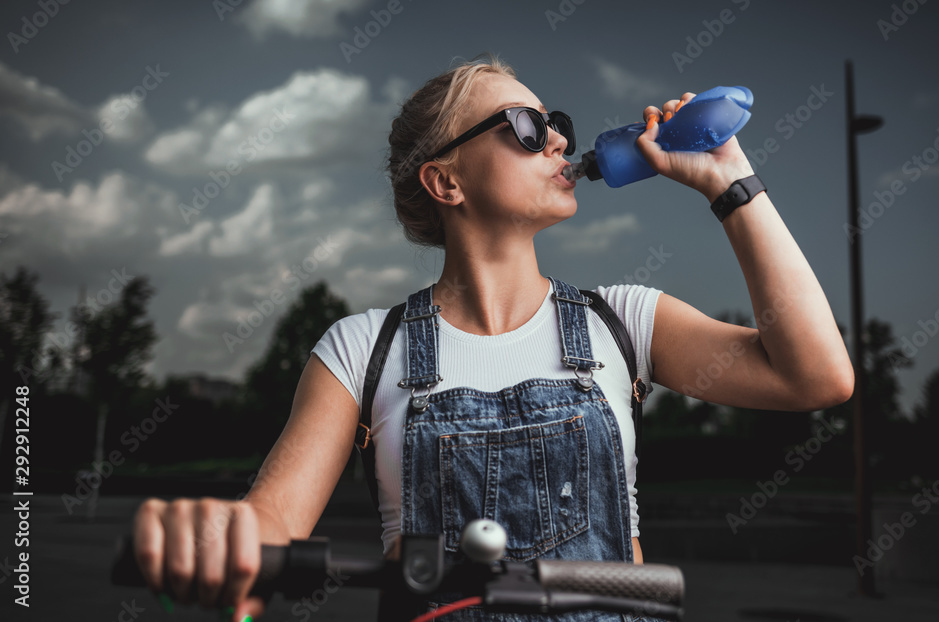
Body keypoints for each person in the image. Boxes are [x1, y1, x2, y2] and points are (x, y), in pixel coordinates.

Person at [130, 55, 854, 622]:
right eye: (527, 127)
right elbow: (271, 525)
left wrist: (729, 181)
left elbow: (815, 377)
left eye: (555, 121)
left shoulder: (623, 322)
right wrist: (215, 535)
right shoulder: (361, 350)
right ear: (446, 182)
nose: (561, 140)